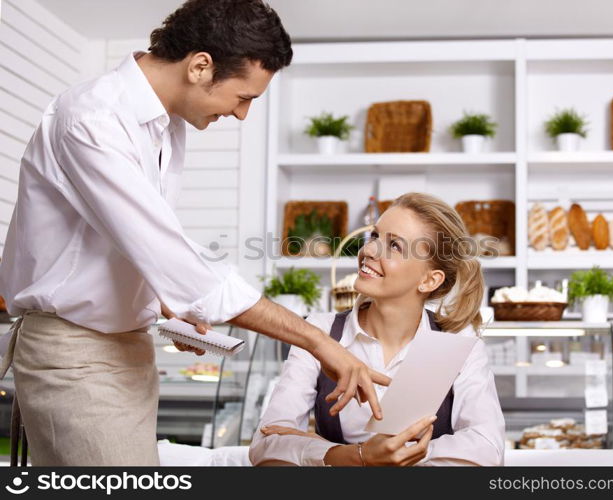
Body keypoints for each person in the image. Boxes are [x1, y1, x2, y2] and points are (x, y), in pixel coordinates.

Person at [0, 0, 388, 466]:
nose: (242, 114)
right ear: (201, 66)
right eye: (243, 97)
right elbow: (176, 260)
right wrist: (320, 342)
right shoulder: (93, 117)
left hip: (126, 350)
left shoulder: (164, 125)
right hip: (77, 354)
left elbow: (124, 245)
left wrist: (166, 306)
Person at [249, 193, 505, 466]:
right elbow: (266, 446)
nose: (369, 251)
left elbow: (487, 449)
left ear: (429, 280)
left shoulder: (456, 345)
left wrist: (329, 452)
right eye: (374, 236)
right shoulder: (320, 332)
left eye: (394, 245)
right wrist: (358, 457)